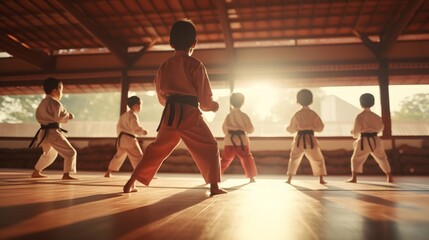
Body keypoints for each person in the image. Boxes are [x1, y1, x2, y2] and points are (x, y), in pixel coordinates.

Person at [123, 19, 227, 195]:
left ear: (171, 43)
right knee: (209, 146)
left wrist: (170, 103)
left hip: (170, 115)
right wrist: (212, 106)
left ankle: (131, 182)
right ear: (194, 43)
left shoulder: (164, 66)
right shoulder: (195, 65)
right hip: (189, 115)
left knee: (157, 149)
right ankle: (214, 186)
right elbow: (204, 98)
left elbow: (161, 95)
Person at [29, 77, 77, 180]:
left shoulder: (42, 103)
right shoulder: (56, 103)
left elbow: (38, 116)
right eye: (61, 90)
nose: (62, 93)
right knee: (71, 152)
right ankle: (66, 174)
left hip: (43, 133)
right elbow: (59, 117)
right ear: (55, 91)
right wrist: (69, 116)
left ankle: (36, 172)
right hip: (53, 133)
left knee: (49, 154)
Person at [346, 93, 393, 183]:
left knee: (356, 158)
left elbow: (356, 130)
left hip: (364, 140)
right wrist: (373, 132)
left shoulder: (360, 116)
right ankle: (389, 177)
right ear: (373, 103)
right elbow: (381, 128)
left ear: (361, 103)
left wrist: (353, 133)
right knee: (382, 158)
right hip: (376, 140)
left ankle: (354, 178)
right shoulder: (377, 116)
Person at [286, 89, 327, 184]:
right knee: (318, 159)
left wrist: (288, 129)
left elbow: (292, 129)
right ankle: (321, 179)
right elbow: (320, 128)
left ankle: (289, 179)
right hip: (311, 140)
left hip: (299, 140)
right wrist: (314, 129)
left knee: (294, 158)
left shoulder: (297, 114)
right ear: (311, 101)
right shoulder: (313, 114)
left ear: (298, 101)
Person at [104, 96, 148, 183]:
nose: (141, 107)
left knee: (118, 156)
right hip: (129, 139)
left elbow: (118, 127)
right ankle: (144, 174)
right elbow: (135, 128)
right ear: (136, 105)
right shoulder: (132, 116)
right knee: (138, 156)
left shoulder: (124, 115)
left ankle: (108, 172)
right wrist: (142, 131)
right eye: (140, 105)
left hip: (122, 139)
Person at [221, 93, 258, 183]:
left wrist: (228, 134)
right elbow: (250, 129)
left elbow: (224, 128)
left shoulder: (228, 116)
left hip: (230, 140)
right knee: (246, 158)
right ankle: (251, 177)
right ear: (242, 102)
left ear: (231, 103)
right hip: (242, 140)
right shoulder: (244, 115)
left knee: (225, 159)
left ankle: (216, 175)